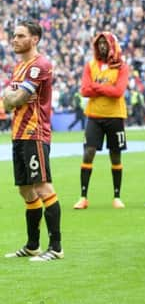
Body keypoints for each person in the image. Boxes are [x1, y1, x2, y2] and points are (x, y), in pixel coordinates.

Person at [3, 20, 64, 261]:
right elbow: (8, 102)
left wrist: (11, 97)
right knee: (26, 190)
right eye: (14, 35)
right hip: (18, 134)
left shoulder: (41, 65)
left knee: (42, 186)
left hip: (34, 133)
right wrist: (11, 97)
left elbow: (17, 99)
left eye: (20, 36)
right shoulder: (19, 67)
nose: (14, 39)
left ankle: (56, 247)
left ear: (34, 39)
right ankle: (32, 245)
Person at [72, 32, 130, 210]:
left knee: (115, 155)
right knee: (88, 152)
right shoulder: (90, 65)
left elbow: (118, 92)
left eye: (106, 43)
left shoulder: (121, 66)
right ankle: (83, 197)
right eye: (100, 44)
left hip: (115, 116)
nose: (102, 46)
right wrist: (106, 88)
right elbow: (84, 90)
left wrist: (96, 87)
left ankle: (117, 196)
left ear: (112, 45)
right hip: (94, 116)